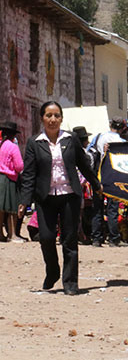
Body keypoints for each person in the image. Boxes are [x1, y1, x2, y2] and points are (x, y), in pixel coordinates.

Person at [17, 101, 102, 295]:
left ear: (62, 118)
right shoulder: (34, 142)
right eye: (48, 115)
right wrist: (24, 200)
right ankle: (53, 270)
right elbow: (29, 174)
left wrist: (96, 185)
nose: (53, 119)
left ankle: (70, 282)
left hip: (69, 196)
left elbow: (83, 164)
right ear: (42, 118)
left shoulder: (71, 139)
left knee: (69, 240)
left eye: (56, 115)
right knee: (45, 238)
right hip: (45, 197)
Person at [89, 118, 127, 246]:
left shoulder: (99, 137)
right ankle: (113, 238)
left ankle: (96, 238)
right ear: (122, 128)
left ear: (110, 125)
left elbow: (89, 151)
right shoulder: (122, 142)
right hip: (113, 178)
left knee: (97, 208)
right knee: (112, 209)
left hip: (98, 176)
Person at [0, 121, 25, 242]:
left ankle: (0, 234)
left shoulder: (0, 145)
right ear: (13, 135)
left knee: (1, 208)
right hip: (9, 179)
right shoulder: (12, 146)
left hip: (0, 178)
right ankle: (12, 234)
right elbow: (19, 166)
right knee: (12, 209)